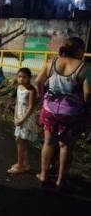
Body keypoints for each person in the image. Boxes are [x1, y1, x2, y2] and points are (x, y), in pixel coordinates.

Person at [35, 36, 89, 189]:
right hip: (71, 113)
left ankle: (44, 176)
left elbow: (38, 82)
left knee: (48, 142)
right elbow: (88, 94)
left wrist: (43, 97)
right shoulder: (86, 68)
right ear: (79, 50)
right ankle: (60, 181)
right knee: (66, 146)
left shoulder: (51, 62)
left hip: (49, 110)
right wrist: (86, 107)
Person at [9, 67, 39, 175]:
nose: (21, 79)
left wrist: (22, 120)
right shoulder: (19, 87)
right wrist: (15, 117)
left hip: (27, 118)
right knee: (20, 141)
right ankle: (25, 164)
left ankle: (20, 165)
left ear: (29, 78)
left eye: (24, 77)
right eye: (19, 77)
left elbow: (31, 107)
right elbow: (17, 103)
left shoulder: (31, 90)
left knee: (20, 141)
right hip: (19, 117)